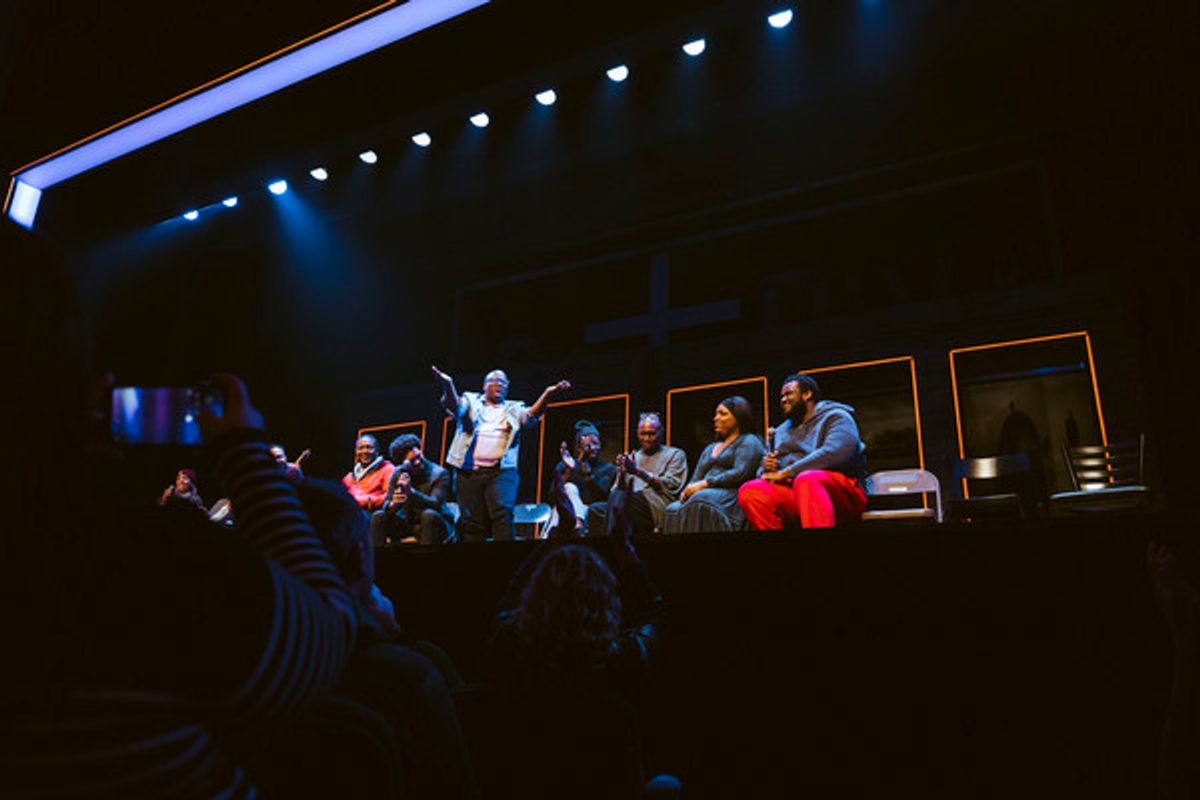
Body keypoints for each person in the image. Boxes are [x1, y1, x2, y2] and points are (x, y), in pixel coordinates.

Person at [433, 365, 570, 542]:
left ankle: (504, 561)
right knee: (471, 522)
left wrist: (547, 394)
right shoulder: (471, 399)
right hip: (467, 472)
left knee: (502, 514)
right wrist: (448, 384)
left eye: (503, 382)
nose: (498, 385)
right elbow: (455, 407)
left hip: (502, 471)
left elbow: (530, 417)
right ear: (484, 385)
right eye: (494, 381)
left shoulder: (514, 407)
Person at [737, 373, 868, 529]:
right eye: (781, 396)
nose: (783, 399)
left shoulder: (836, 417)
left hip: (842, 494)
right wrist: (765, 468)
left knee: (807, 479)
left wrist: (787, 472)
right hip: (798, 493)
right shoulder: (779, 432)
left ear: (807, 394)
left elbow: (838, 452)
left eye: (789, 393)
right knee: (751, 491)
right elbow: (765, 472)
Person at [663, 396, 765, 533]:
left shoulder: (749, 441)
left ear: (739, 417)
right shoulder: (710, 448)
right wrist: (686, 490)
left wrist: (706, 483)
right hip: (706, 491)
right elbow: (697, 476)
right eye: (716, 414)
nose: (716, 418)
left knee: (701, 499)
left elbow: (740, 472)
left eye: (723, 414)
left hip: (731, 494)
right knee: (672, 509)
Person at [588, 412, 688, 536]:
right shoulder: (632, 457)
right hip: (629, 501)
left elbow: (671, 486)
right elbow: (615, 492)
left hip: (655, 504)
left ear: (661, 432)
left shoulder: (675, 454)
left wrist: (638, 471)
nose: (646, 438)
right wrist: (623, 474)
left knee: (624, 501)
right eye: (643, 434)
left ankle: (613, 547)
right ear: (637, 433)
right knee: (595, 509)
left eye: (651, 434)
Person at [370, 433, 457, 546]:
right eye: (412, 461)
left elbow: (436, 504)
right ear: (403, 463)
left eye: (419, 457)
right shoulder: (398, 473)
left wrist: (411, 493)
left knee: (428, 515)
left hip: (435, 522)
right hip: (408, 523)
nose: (418, 462)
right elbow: (387, 502)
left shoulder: (439, 473)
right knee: (379, 516)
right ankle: (376, 561)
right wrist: (393, 505)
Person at [553, 420, 617, 533]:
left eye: (595, 443)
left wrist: (588, 477)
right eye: (588, 445)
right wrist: (569, 471)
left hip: (592, 513)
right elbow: (553, 495)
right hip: (566, 512)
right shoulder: (566, 465)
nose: (592, 448)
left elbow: (602, 498)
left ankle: (578, 524)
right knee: (569, 487)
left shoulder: (608, 468)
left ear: (600, 445)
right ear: (578, 447)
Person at [342, 434, 394, 512]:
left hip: (372, 515)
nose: (365, 451)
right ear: (356, 452)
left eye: (369, 447)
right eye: (361, 448)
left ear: (377, 450)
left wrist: (366, 501)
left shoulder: (387, 469)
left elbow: (390, 497)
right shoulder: (349, 477)